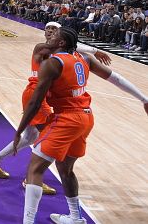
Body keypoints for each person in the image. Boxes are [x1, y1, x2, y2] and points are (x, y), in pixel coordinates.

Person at [15, 27, 148, 224]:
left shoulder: (52, 64)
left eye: (55, 35)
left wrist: (19, 130)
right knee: (65, 168)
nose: (50, 35)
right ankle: (76, 218)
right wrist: (143, 98)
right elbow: (115, 78)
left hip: (66, 119)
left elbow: (35, 102)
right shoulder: (83, 58)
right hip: (86, 119)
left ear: (61, 43)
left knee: (34, 169)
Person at [0, 22, 112, 195]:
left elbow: (73, 47)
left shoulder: (57, 50)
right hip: (36, 95)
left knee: (30, 137)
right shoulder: (43, 48)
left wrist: (92, 52)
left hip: (40, 95)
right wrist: (94, 52)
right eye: (47, 29)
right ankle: (32, 178)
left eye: (54, 29)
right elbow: (73, 47)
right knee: (48, 135)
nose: (50, 31)